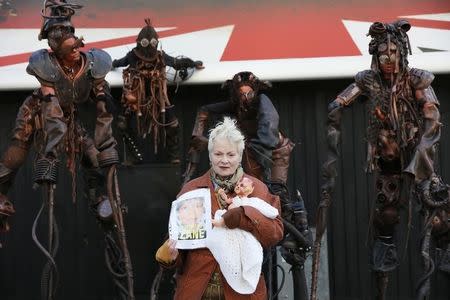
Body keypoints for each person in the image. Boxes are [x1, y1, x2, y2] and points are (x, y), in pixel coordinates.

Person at [0, 1, 135, 298]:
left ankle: (102, 205)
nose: (72, 50)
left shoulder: (95, 63)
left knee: (93, 160)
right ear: (52, 46)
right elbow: (51, 113)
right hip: (42, 112)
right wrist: (49, 154)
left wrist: (106, 144)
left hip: (70, 117)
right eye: (62, 42)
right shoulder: (43, 64)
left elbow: (102, 106)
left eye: (72, 41)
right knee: (18, 150)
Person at [311, 20, 450, 300]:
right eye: (383, 55)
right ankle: (383, 270)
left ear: (402, 54)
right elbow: (345, 97)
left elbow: (433, 116)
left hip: (418, 162)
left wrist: (423, 150)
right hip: (388, 163)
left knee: (438, 216)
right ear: (377, 56)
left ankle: (446, 249)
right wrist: (337, 106)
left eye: (393, 54)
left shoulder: (416, 79)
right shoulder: (370, 81)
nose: (388, 60)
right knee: (385, 217)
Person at [156, 117, 283, 299]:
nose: (224, 160)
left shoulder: (257, 189)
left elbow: (274, 235)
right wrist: (171, 255)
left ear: (240, 156)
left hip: (242, 292)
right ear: (210, 155)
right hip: (197, 291)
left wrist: (241, 217)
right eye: (218, 154)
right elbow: (179, 242)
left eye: (231, 155)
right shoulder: (191, 190)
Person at [112, 18, 204, 164]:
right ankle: (132, 156)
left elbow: (176, 63)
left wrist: (193, 63)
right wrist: (110, 64)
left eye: (153, 43)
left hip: (158, 98)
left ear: (156, 42)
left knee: (173, 125)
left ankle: (173, 155)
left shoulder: (160, 56)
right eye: (145, 43)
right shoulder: (133, 55)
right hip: (136, 99)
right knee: (123, 124)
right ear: (139, 42)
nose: (149, 46)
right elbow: (119, 62)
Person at [208, 176, 279, 294]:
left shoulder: (250, 202)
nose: (238, 186)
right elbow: (228, 201)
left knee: (249, 249)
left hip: (241, 230)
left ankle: (245, 273)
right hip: (229, 229)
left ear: (251, 190)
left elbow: (272, 214)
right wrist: (222, 194)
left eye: (243, 185)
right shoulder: (236, 199)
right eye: (238, 184)